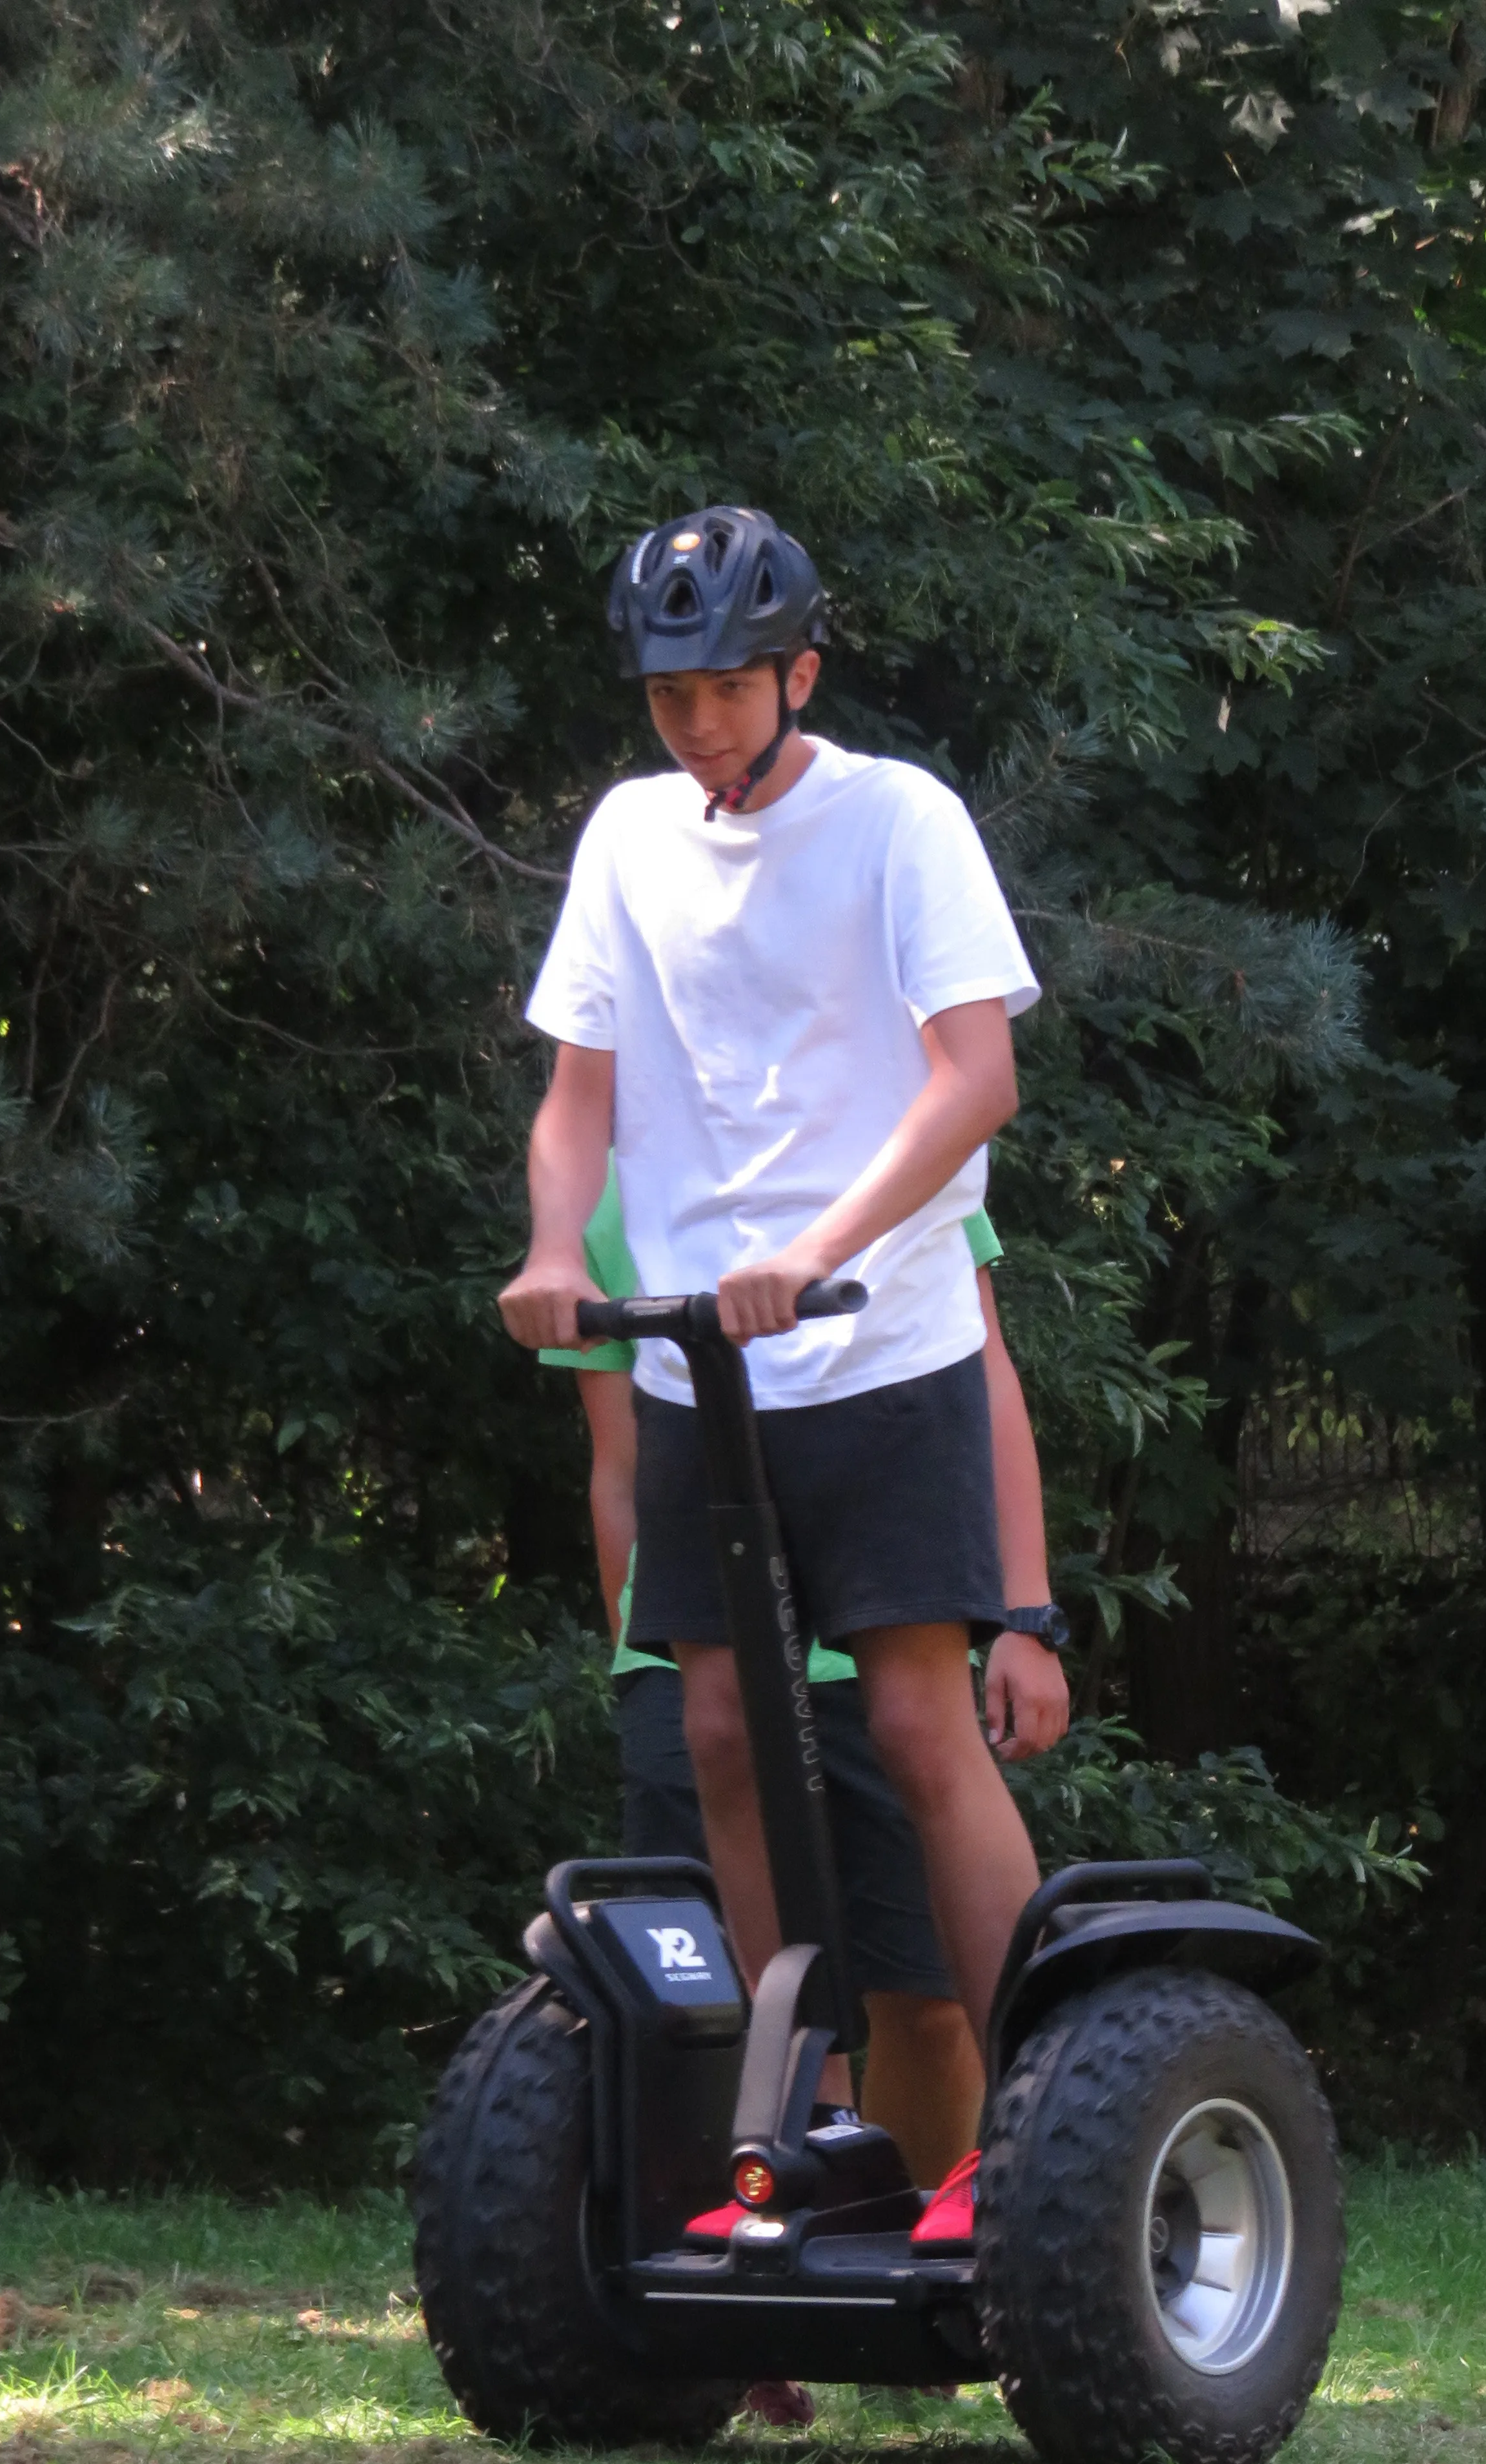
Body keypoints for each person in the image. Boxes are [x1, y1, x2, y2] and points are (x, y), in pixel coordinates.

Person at [499, 503, 1044, 2249]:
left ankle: (1045, 2129)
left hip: (876, 1346)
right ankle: (786, 2140)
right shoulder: (628, 840)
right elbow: (578, 1091)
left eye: (730, 685)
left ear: (801, 670)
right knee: (722, 1726)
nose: (700, 722)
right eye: (671, 694)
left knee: (908, 1720)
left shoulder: (899, 822)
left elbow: (976, 1082)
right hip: (700, 1377)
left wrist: (828, 1245)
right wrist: (556, 1249)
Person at [537, 1160, 1070, 2190]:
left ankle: (935, 2266)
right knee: (754, 2023)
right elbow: (619, 1462)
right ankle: (776, 2266)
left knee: (929, 2005)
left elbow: (986, 1376)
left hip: (884, 1637)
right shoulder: (615, 1193)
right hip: (704, 1656)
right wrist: (640, 1656)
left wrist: (1026, 1615)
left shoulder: (888, 1138)